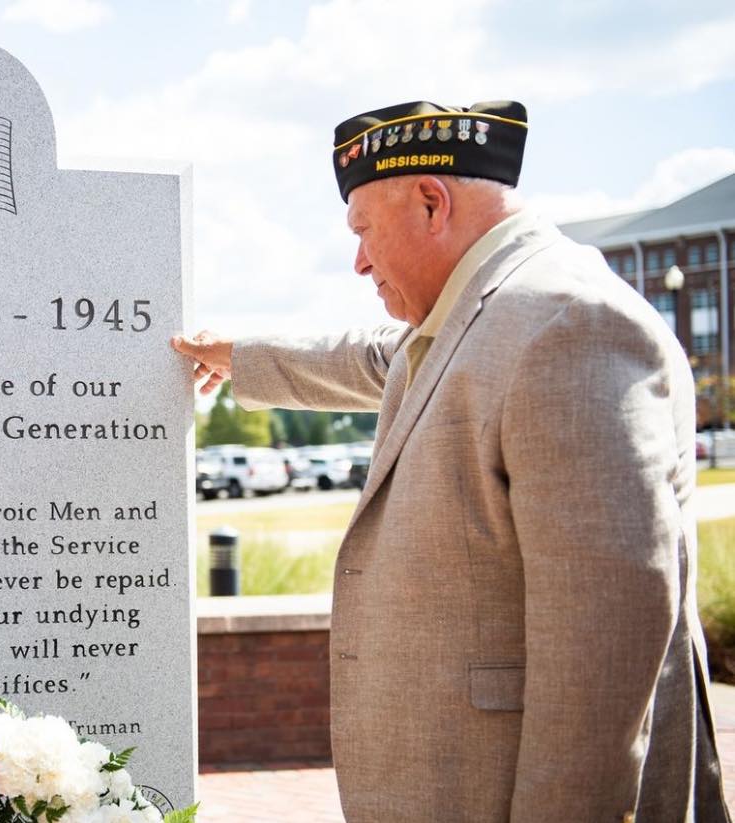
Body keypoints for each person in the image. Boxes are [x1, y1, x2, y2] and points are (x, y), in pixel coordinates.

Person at [172, 100, 729, 822]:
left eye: (364, 230)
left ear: (431, 201)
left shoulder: (570, 322)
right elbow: (378, 357)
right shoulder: (483, 310)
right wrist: (238, 357)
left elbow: (603, 658)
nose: (359, 260)